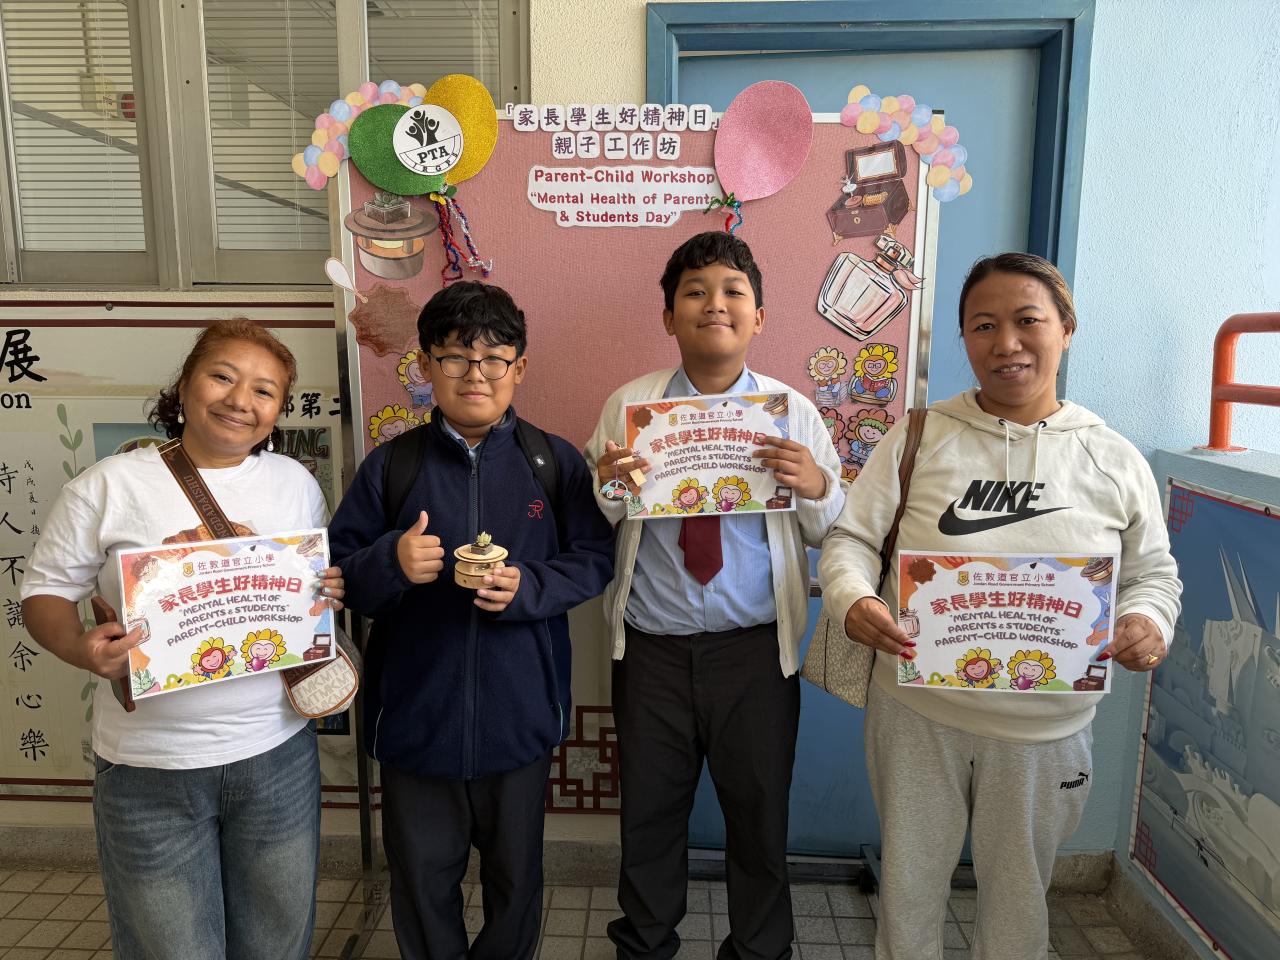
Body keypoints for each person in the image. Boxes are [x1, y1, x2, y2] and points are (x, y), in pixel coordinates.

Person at [819, 253, 1182, 960]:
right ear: (964, 337)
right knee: (908, 890)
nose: (1006, 343)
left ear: (1066, 329)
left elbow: (1152, 573)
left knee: (1019, 902)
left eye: (1027, 321)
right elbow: (851, 540)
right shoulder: (919, 436)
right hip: (918, 716)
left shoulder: (1112, 457)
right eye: (984, 325)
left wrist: (1148, 622)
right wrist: (852, 597)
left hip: (1047, 732)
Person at [20, 318, 344, 960]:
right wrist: (82, 647)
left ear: (278, 410)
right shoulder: (109, 485)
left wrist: (322, 589)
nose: (240, 400)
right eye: (222, 377)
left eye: (264, 391)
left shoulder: (295, 483)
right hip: (150, 767)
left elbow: (301, 587)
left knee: (276, 942)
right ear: (186, 384)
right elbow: (44, 594)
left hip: (276, 752)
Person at [328, 281, 614, 960]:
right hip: (415, 720)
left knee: (516, 880)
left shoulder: (553, 462)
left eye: (493, 358)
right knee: (422, 880)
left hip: (521, 717)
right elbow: (338, 574)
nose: (475, 375)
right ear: (427, 366)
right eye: (455, 357)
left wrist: (530, 586)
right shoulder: (392, 465)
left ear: (520, 367)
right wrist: (393, 562)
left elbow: (595, 558)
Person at [585, 232, 845, 960]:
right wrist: (610, 484)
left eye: (733, 291)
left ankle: (760, 950)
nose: (714, 304)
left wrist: (817, 485)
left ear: (759, 316)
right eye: (694, 292)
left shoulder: (792, 412)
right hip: (652, 651)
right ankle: (644, 945)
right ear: (669, 315)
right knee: (649, 815)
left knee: (759, 818)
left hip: (756, 653)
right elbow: (602, 515)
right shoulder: (630, 406)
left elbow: (834, 530)